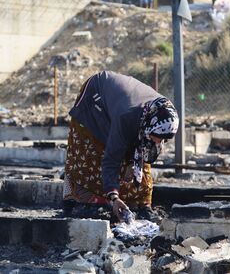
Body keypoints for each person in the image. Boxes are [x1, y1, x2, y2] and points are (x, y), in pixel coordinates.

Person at [62, 71, 179, 222]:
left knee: (139, 164)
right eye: (158, 138)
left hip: (122, 106)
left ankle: (141, 205)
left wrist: (132, 162)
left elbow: (141, 153)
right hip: (95, 98)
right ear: (150, 126)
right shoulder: (127, 117)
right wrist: (113, 196)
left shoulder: (162, 113)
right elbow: (111, 159)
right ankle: (87, 204)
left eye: (164, 140)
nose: (159, 143)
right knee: (91, 155)